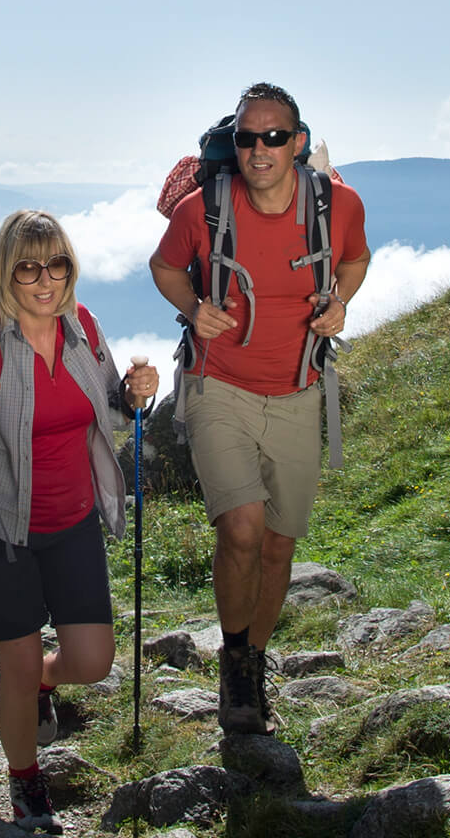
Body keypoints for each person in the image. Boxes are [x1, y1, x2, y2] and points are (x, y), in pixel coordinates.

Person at [148, 83, 370, 734]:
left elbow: (354, 260)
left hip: (299, 391)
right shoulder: (204, 208)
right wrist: (193, 309)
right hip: (220, 385)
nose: (259, 150)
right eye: (248, 138)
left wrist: (342, 303)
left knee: (278, 547)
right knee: (241, 528)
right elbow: (165, 269)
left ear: (298, 144)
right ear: (236, 144)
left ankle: (251, 659)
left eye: (274, 137)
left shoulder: (337, 205)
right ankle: (235, 667)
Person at [0, 209, 159, 833]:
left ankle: (39, 687)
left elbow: (113, 409)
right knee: (18, 662)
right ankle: (25, 781)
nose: (44, 279)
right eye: (28, 266)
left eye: (56, 264)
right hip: (0, 529)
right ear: (7, 271)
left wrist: (139, 394)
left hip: (74, 518)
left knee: (92, 661)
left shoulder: (83, 327)